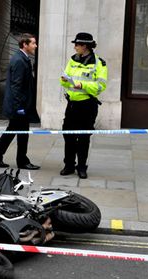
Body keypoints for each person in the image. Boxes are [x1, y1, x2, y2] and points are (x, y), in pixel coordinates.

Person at [59, 32, 108, 179]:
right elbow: (64, 80)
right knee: (68, 136)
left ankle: (81, 167)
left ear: (85, 46)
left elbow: (100, 86)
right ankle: (69, 165)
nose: (74, 47)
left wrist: (82, 85)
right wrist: (64, 80)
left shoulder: (99, 63)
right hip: (72, 105)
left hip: (87, 106)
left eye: (77, 45)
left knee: (83, 137)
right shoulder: (72, 60)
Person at [0, 33, 40, 170]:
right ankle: (22, 161)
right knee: (22, 134)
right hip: (19, 106)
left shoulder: (23, 58)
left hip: (20, 105)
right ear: (25, 44)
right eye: (33, 43)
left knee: (12, 130)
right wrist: (19, 108)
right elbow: (16, 87)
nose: (35, 46)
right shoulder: (19, 60)